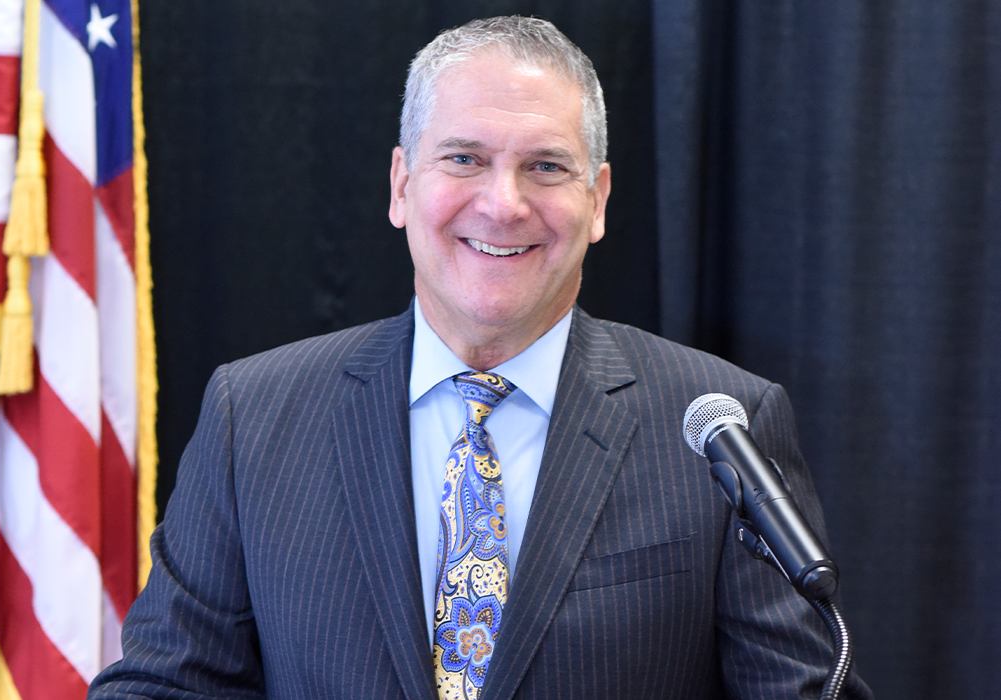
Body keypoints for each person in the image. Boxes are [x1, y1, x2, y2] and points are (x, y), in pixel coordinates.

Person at [89, 16, 872, 700]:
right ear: (401, 185)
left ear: (596, 201)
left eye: (545, 165)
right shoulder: (251, 416)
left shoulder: (717, 427)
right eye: (462, 158)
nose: (503, 202)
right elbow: (165, 687)